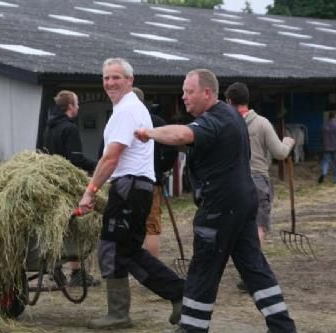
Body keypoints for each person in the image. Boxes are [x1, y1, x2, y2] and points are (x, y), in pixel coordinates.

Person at [134, 69, 297, 333]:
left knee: (202, 270)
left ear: (207, 93)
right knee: (254, 267)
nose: (184, 97)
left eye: (189, 92)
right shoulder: (231, 115)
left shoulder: (215, 119)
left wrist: (149, 133)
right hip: (243, 204)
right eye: (183, 91)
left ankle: (192, 328)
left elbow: (181, 136)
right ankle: (282, 327)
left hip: (220, 208)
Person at [78, 58, 184, 329]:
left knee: (121, 248)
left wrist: (90, 191)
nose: (110, 82)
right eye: (106, 78)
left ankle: (178, 292)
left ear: (130, 80)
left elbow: (111, 158)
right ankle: (120, 312)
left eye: (116, 77)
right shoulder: (126, 109)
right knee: (114, 249)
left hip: (130, 187)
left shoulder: (126, 111)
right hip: (133, 186)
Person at [225, 82, 295, 248]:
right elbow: (280, 153)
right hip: (257, 180)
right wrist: (288, 143)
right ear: (247, 99)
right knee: (258, 225)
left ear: (228, 101)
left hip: (231, 182)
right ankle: (255, 265)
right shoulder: (262, 123)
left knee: (236, 226)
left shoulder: (225, 124)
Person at [42, 90, 99, 287]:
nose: (79, 107)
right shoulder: (69, 128)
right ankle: (76, 272)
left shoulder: (49, 128)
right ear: (70, 107)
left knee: (58, 225)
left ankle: (56, 267)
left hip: (51, 183)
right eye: (77, 104)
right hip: (68, 184)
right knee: (75, 226)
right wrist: (98, 167)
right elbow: (75, 158)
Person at [131, 87, 178, 258]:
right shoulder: (156, 121)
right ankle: (152, 270)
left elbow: (104, 152)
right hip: (151, 181)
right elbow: (172, 146)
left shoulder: (120, 120)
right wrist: (162, 167)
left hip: (125, 182)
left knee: (127, 225)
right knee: (151, 227)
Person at [318, 111, 336, 184]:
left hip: (326, 147)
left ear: (329, 117)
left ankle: (324, 172)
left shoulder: (324, 126)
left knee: (325, 161)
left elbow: (321, 138)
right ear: (335, 117)